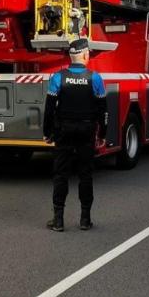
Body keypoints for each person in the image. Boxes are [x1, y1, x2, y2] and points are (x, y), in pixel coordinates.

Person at [44, 38, 107, 232]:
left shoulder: (58, 77)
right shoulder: (95, 78)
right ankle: (85, 219)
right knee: (85, 175)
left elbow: (49, 109)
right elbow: (103, 110)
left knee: (61, 175)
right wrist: (102, 133)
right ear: (86, 55)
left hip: (63, 132)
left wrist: (48, 133)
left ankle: (58, 220)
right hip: (86, 132)